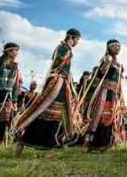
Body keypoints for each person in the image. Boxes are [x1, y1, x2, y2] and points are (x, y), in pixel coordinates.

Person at [13, 29, 83, 158]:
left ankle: (30, 143)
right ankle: (47, 147)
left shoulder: (65, 48)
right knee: (48, 111)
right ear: (72, 37)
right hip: (56, 83)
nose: (78, 42)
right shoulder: (63, 48)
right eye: (77, 39)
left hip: (60, 83)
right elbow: (57, 63)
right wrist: (67, 46)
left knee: (51, 113)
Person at [83, 39, 125, 152]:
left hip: (113, 93)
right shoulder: (108, 59)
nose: (118, 48)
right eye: (116, 46)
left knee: (110, 117)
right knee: (100, 117)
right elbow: (100, 75)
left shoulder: (117, 62)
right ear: (110, 47)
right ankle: (94, 144)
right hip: (105, 92)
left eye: (119, 46)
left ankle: (104, 145)